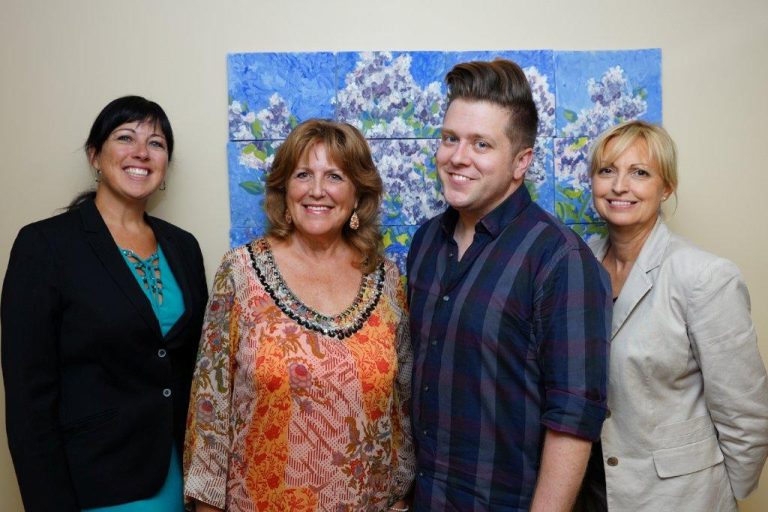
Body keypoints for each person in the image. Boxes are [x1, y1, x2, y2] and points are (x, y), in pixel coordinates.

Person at [407, 59, 611, 511]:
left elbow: (573, 422)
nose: (458, 157)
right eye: (450, 139)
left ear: (521, 161)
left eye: (481, 144)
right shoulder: (425, 242)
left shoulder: (561, 260)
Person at [183, 119, 415, 511]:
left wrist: (401, 500)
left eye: (335, 176)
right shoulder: (241, 273)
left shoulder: (387, 280)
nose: (317, 190)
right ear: (285, 189)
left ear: (357, 194)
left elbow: (403, 406)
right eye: (303, 174)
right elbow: (210, 408)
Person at [1, 95, 208, 511]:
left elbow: (196, 369)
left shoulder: (183, 247)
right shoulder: (45, 246)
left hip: (177, 477)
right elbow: (28, 398)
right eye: (125, 137)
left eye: (156, 143)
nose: (141, 153)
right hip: (91, 483)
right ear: (95, 156)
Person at [577, 119, 768, 511]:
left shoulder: (704, 276)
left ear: (666, 187)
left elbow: (746, 415)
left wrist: (720, 497)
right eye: (606, 171)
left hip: (678, 498)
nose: (619, 186)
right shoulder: (578, 263)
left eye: (640, 173)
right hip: (592, 490)